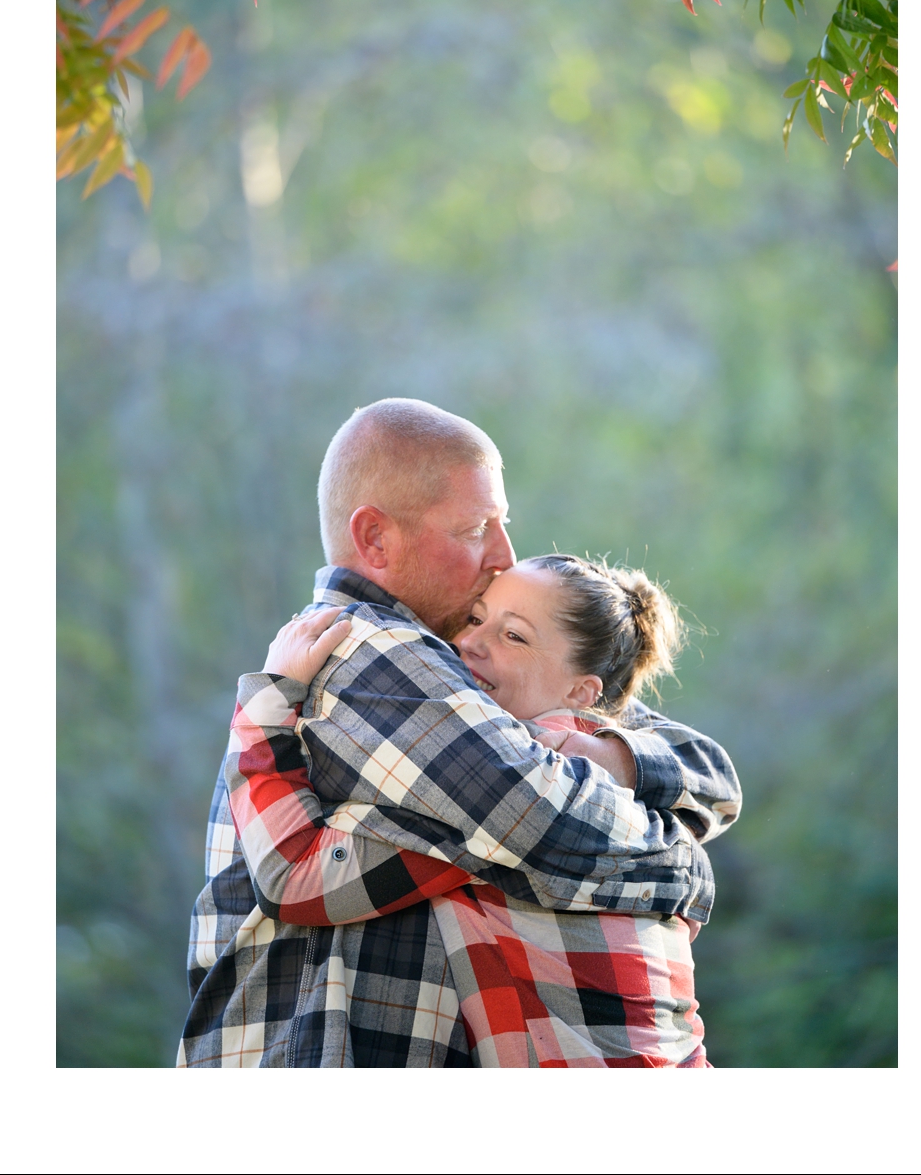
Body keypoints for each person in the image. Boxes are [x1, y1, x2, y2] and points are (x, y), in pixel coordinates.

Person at [180, 398, 740, 1067]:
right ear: (376, 539)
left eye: (505, 523)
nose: (503, 555)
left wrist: (607, 750)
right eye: (477, 528)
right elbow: (541, 822)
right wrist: (686, 865)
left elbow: (698, 765)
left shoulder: (467, 665)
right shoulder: (370, 651)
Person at [243, 553, 722, 1067]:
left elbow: (295, 875)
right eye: (476, 618)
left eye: (514, 636)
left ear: (582, 691)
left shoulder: (499, 788)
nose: (469, 642)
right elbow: (705, 769)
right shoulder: (617, 765)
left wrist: (268, 705)